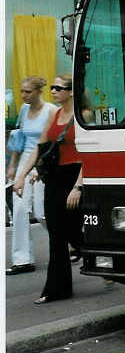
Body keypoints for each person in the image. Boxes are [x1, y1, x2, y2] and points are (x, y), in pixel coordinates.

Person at [12, 74, 84, 303]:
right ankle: (56, 290)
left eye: (58, 88)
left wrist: (78, 187)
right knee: (56, 235)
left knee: (73, 231)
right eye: (52, 87)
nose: (53, 91)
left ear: (71, 91)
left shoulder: (84, 116)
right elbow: (39, 148)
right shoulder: (54, 115)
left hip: (73, 177)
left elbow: (89, 156)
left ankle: (93, 254)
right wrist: (22, 174)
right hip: (54, 178)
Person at [5, 76, 57, 275]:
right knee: (18, 209)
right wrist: (12, 166)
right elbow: (19, 137)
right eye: (21, 91)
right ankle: (22, 259)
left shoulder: (50, 111)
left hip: (44, 162)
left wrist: (40, 167)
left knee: (42, 212)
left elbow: (52, 143)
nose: (23, 95)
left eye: (27, 91)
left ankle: (72, 240)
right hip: (25, 161)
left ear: (38, 92)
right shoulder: (24, 110)